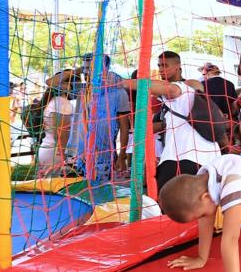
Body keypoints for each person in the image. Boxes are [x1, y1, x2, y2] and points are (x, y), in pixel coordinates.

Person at [120, 50, 221, 192]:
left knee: (164, 201)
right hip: (193, 158)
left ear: (178, 66)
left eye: (165, 65)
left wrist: (123, 83)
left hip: (186, 158)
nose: (161, 69)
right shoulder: (169, 98)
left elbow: (173, 89)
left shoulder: (186, 86)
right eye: (159, 65)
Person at [48, 53, 131, 181]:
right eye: (87, 69)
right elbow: (51, 82)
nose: (89, 72)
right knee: (77, 195)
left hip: (103, 156)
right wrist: (78, 70)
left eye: (93, 68)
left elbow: (124, 126)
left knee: (98, 196)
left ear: (106, 69)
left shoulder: (118, 92)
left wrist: (122, 155)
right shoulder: (82, 88)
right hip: (77, 156)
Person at [36, 70, 75, 175]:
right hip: (56, 155)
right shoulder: (62, 103)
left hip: (50, 152)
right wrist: (64, 161)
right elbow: (61, 135)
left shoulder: (54, 101)